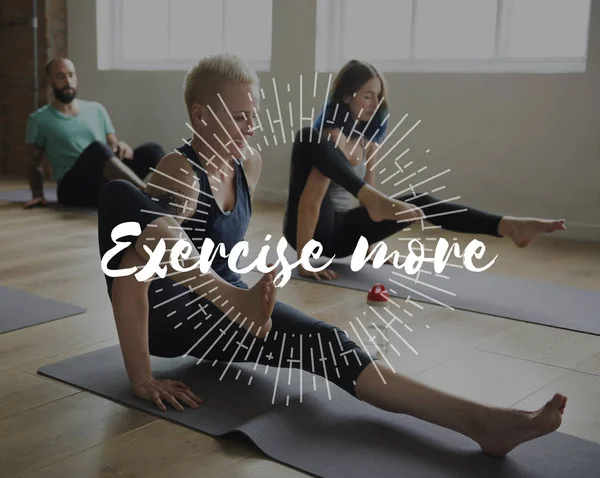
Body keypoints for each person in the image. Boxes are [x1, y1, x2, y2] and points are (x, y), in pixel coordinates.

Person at [97, 53, 567, 458]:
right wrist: (141, 378)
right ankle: (230, 298)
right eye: (239, 117)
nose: (252, 126)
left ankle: (483, 423)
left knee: (329, 343)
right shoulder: (178, 172)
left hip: (227, 311)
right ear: (200, 115)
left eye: (253, 114)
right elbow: (133, 276)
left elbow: (226, 244)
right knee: (120, 193)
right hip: (165, 314)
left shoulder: (249, 164)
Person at [283, 60, 567, 280]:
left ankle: (508, 226)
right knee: (310, 136)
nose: (374, 104)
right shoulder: (329, 138)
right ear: (347, 96)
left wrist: (366, 245)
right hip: (313, 234)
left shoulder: (367, 143)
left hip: (344, 238)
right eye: (367, 95)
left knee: (418, 200)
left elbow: (369, 209)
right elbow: (311, 205)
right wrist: (305, 262)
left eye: (377, 96)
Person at [24, 57, 164, 209]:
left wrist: (120, 145)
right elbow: (33, 163)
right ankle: (146, 195)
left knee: (153, 150)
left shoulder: (96, 109)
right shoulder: (38, 119)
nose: (68, 81)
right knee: (97, 149)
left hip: (103, 180)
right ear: (50, 81)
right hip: (72, 189)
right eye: (60, 76)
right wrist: (38, 194)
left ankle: (176, 195)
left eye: (71, 75)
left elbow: (113, 145)